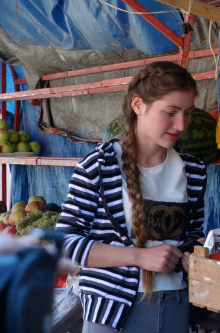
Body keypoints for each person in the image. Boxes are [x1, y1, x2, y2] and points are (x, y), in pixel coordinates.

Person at [55, 61, 207, 333]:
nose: (181, 124)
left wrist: (196, 253)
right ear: (138, 105)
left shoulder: (194, 171)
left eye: (188, 113)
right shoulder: (98, 167)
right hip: (111, 312)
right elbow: (66, 244)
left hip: (175, 306)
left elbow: (193, 234)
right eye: (170, 112)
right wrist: (139, 257)